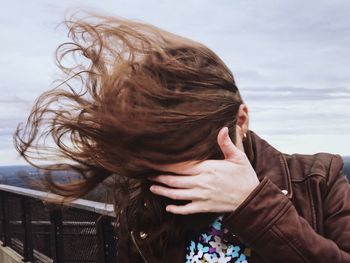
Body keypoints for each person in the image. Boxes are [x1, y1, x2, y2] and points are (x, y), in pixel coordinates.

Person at [14, 13, 350, 263]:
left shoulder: (318, 181)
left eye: (204, 159)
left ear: (241, 121)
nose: (194, 182)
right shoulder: (146, 202)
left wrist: (256, 207)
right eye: (168, 169)